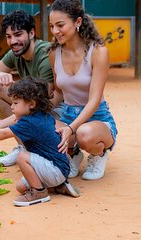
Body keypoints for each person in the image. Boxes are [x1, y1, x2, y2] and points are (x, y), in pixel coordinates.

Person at [0, 77, 80, 207]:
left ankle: (40, 194)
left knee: (22, 157)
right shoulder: (41, 115)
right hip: (58, 168)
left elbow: (4, 133)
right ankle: (59, 186)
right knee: (21, 187)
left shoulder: (29, 123)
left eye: (16, 103)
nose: (11, 107)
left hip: (55, 169)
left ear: (31, 104)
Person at [48, 0, 118, 181]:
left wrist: (71, 128)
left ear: (78, 22)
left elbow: (94, 101)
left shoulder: (98, 51)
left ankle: (98, 154)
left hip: (97, 117)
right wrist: (40, 111)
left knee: (84, 134)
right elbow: (59, 92)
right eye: (51, 26)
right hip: (68, 114)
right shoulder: (54, 53)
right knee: (44, 128)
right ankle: (73, 153)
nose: (55, 31)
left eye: (60, 25)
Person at [0, 9, 55, 166]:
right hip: (35, 106)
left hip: (55, 111)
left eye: (18, 34)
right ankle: (24, 147)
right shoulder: (15, 53)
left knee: (29, 104)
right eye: (8, 36)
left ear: (31, 33)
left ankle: (49, 150)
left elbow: (40, 103)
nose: (13, 41)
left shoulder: (45, 53)